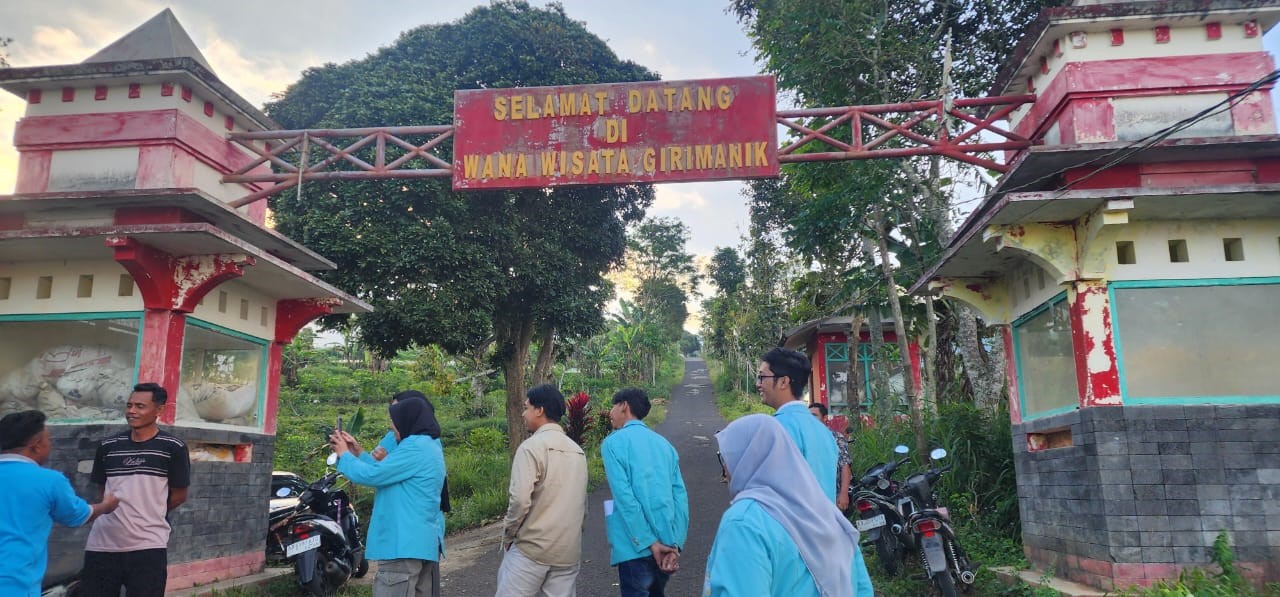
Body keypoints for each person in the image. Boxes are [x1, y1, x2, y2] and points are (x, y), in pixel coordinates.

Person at [703, 414, 873, 597]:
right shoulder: (824, 510)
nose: (725, 469)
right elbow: (862, 587)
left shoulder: (744, 521)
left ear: (744, 459)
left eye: (725, 458)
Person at [81, 382, 189, 597]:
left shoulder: (173, 447)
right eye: (129, 405)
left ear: (159, 410)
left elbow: (179, 495)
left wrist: (148, 510)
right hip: (102, 544)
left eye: (140, 406)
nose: (131, 411)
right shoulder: (108, 446)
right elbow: (103, 491)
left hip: (148, 545)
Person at [332, 395, 447, 597]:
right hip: (420, 543)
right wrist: (357, 453)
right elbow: (387, 474)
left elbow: (373, 475)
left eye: (394, 421)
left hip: (402, 544)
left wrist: (344, 455)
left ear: (407, 419)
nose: (392, 427)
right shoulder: (428, 445)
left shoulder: (414, 446)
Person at [0, 410, 120, 596]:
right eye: (49, 440)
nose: (51, 444)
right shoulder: (49, 481)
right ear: (36, 445)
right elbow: (78, 516)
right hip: (17, 584)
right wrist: (106, 505)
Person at [496, 384, 588, 597]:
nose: (523, 413)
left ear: (540, 410)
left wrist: (509, 535)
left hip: (531, 549)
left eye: (526, 407)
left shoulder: (531, 447)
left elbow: (519, 500)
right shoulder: (577, 451)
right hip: (567, 552)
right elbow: (582, 505)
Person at [601, 388, 689, 596]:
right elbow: (680, 497)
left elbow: (625, 498)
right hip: (668, 544)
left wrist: (649, 542)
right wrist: (676, 543)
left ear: (624, 406)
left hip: (635, 546)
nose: (610, 413)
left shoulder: (612, 444)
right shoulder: (665, 445)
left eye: (613, 406)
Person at [757, 348, 838, 502]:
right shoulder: (823, 430)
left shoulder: (776, 429)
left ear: (783, 382)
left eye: (762, 377)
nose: (758, 384)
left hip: (792, 524)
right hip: (824, 522)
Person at [366, 390, 451, 513]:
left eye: (398, 409)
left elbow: (372, 473)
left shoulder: (420, 444)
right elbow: (372, 460)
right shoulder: (395, 436)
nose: (395, 415)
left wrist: (387, 461)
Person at [809, 402, 852, 511]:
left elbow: (845, 466)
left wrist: (843, 494)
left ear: (825, 418)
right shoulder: (803, 439)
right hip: (808, 496)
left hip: (831, 495)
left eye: (814, 415)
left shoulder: (836, 438)